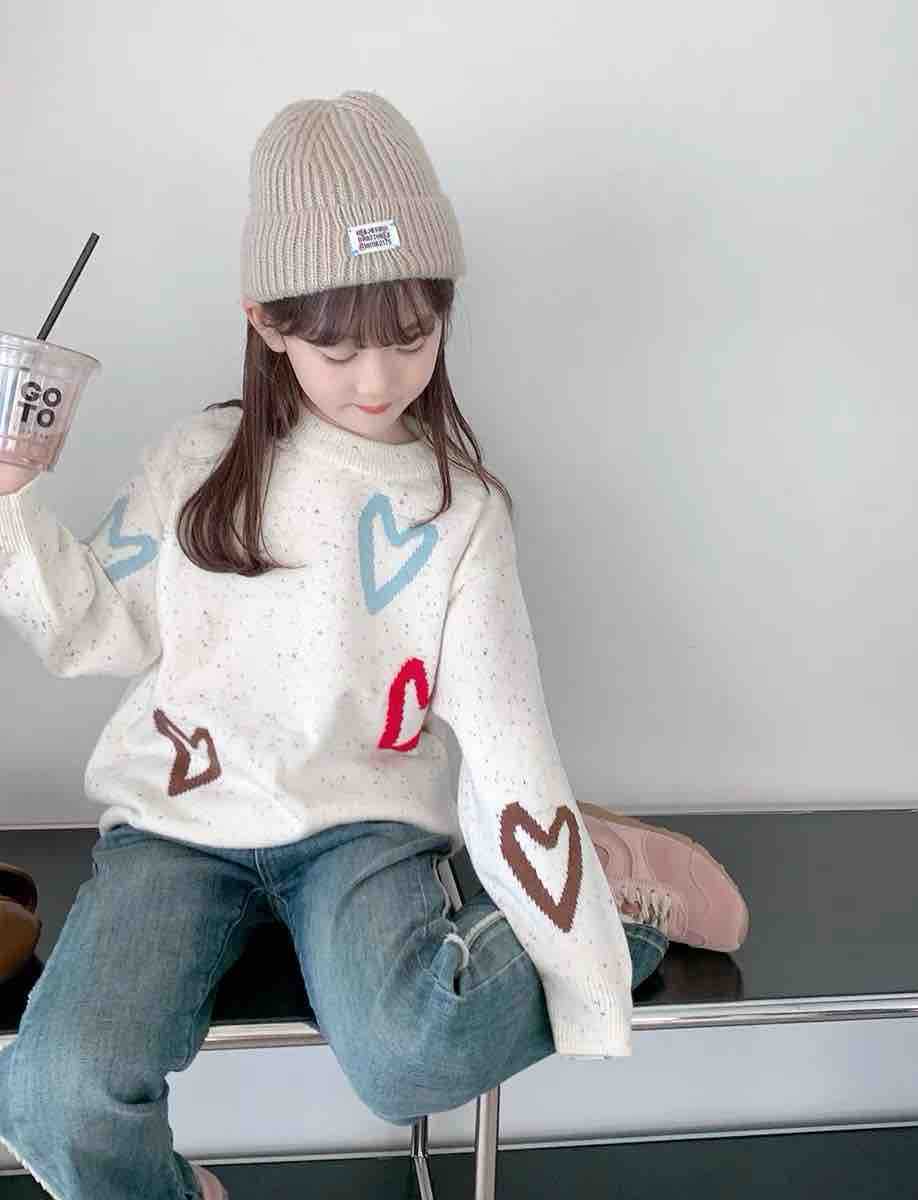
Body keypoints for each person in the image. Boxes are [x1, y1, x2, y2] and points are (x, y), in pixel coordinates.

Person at [0, 91, 748, 1200]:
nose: (378, 380)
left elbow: (505, 744)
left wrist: (588, 969)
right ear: (266, 322)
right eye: (336, 345)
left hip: (361, 830)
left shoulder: (462, 515)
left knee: (412, 1061)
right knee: (55, 1092)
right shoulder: (195, 463)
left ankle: (613, 890)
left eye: (411, 337)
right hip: (176, 830)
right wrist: (10, 503)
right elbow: (92, 629)